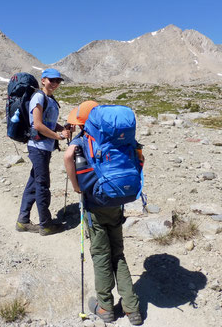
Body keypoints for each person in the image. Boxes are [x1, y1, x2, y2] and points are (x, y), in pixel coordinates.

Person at [63, 101, 143, 325]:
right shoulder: (119, 139)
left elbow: (68, 156)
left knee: (100, 254)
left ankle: (105, 307)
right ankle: (132, 309)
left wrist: (77, 186)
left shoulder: (83, 138)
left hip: (95, 204)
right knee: (118, 253)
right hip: (117, 200)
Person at [16, 68, 71, 236]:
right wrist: (58, 136)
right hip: (38, 147)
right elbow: (38, 125)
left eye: (58, 81)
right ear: (43, 80)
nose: (55, 83)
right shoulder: (39, 97)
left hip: (44, 147)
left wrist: (64, 129)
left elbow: (49, 122)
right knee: (42, 185)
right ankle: (46, 225)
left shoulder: (50, 99)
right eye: (52, 80)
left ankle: (22, 221)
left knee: (34, 183)